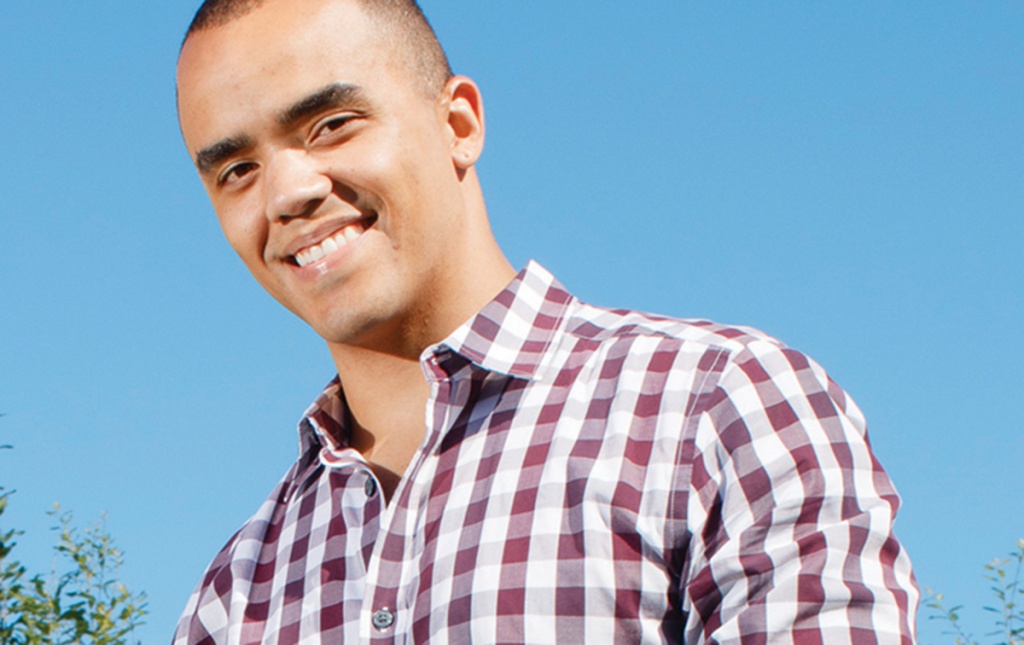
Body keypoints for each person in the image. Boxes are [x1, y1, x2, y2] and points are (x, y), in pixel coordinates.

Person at [172, 0, 918, 642]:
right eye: (235, 170)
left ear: (458, 122)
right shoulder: (238, 588)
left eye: (332, 124)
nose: (287, 193)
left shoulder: (722, 408)